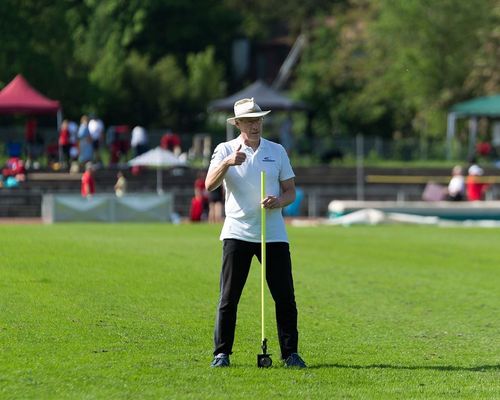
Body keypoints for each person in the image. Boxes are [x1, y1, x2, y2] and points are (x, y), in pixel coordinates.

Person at [205, 98, 306, 368]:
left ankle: (291, 353)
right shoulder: (225, 149)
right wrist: (227, 163)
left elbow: (290, 192)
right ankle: (221, 353)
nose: (255, 125)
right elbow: (209, 185)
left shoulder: (277, 151)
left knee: (285, 296)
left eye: (258, 119)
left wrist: (278, 202)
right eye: (249, 120)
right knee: (229, 296)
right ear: (237, 124)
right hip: (237, 232)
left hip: (273, 232)